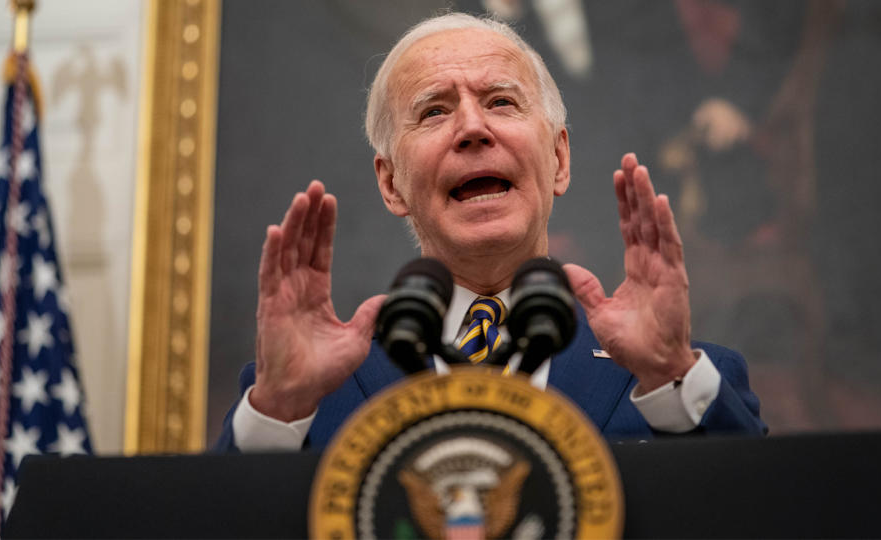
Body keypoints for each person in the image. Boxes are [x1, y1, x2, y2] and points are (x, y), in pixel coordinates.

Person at [215, 12, 765, 452]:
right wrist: (278, 412)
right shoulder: (306, 391)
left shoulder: (676, 373)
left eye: (501, 101)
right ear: (391, 184)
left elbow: (767, 516)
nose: (473, 128)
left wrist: (669, 374)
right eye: (434, 111)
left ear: (558, 158)